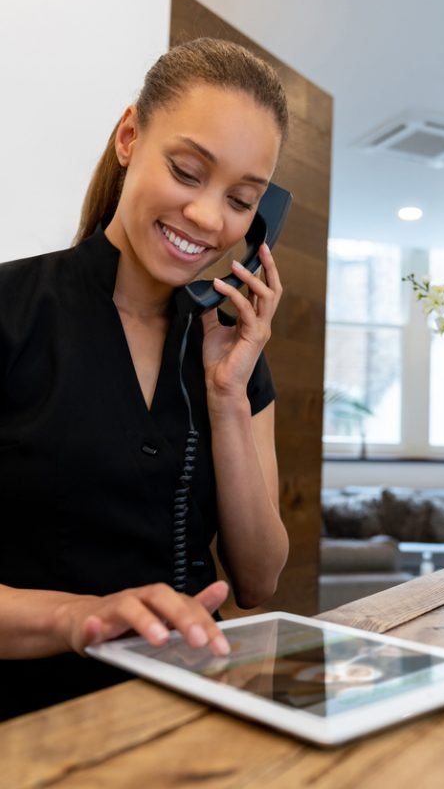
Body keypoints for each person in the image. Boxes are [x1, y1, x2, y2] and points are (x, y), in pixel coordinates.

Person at [0, 37, 290, 720]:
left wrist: (225, 395)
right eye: (188, 172)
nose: (210, 219)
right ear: (130, 137)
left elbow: (260, 577)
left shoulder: (232, 348)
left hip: (197, 715)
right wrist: (80, 618)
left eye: (242, 200)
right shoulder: (13, 313)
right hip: (32, 723)